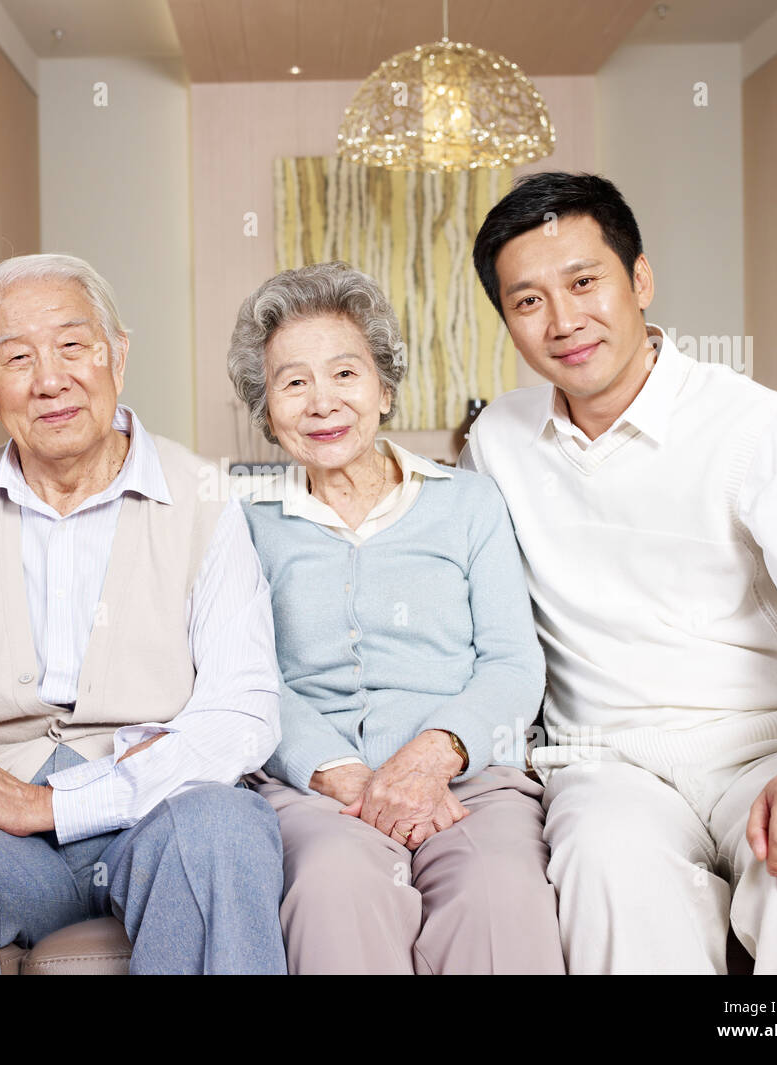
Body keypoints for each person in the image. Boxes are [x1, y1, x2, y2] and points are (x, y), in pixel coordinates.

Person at [460, 171, 777, 973]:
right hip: (609, 763)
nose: (563, 321)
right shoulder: (498, 440)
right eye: (527, 302)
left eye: (584, 281)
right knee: (604, 872)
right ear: (508, 323)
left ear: (641, 280)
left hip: (769, 746)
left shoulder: (751, 423)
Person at [0, 253, 287, 975]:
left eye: (73, 346)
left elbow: (243, 712)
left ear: (117, 354)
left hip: (155, 814)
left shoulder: (206, 499)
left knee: (224, 827)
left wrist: (59, 804)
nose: (50, 379)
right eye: (17, 357)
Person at [227, 261, 564, 974]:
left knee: (501, 895)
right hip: (316, 792)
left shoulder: (469, 504)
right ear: (267, 411)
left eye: (345, 374)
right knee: (334, 888)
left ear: (383, 388)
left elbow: (512, 661)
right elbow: (244, 675)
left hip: (469, 779)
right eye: (293, 383)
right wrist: (343, 772)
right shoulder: (244, 525)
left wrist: (429, 759)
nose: (322, 402)